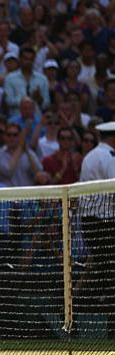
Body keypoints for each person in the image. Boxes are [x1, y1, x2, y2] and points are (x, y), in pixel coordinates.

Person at [78, 121, 115, 337]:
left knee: (104, 273)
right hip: (105, 222)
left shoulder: (90, 156)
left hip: (90, 222)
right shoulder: (109, 157)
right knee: (108, 276)